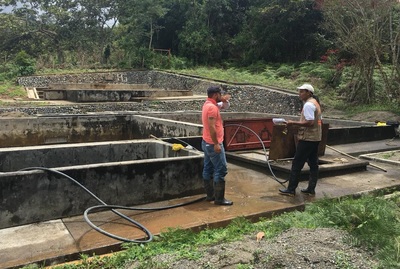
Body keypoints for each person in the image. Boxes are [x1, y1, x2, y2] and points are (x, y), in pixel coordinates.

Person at [279, 83, 322, 197]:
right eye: (299, 91)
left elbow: (309, 122)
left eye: (302, 92)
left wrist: (293, 123)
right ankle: (311, 189)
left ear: (309, 93)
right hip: (315, 138)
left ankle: (291, 189)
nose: (300, 94)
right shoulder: (315, 103)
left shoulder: (308, 105)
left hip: (307, 138)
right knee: (313, 164)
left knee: (297, 163)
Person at [201, 85, 233, 205]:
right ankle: (219, 199)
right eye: (220, 94)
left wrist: (224, 100)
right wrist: (216, 144)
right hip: (212, 143)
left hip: (206, 142)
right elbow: (212, 127)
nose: (221, 96)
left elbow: (225, 106)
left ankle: (210, 196)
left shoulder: (208, 104)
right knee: (221, 169)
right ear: (215, 95)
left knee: (208, 168)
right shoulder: (212, 108)